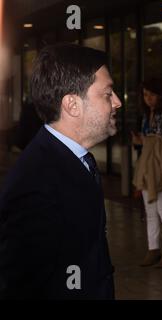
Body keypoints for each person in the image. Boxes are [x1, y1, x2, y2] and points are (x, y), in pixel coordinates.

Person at [0, 43, 121, 299]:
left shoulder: (73, 159)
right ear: (72, 105)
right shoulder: (36, 182)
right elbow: (21, 285)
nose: (118, 102)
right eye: (108, 94)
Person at [132, 78, 162, 268]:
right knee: (150, 211)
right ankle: (153, 249)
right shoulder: (146, 115)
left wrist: (144, 141)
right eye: (145, 95)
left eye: (152, 94)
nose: (148, 98)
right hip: (147, 168)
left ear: (160, 96)